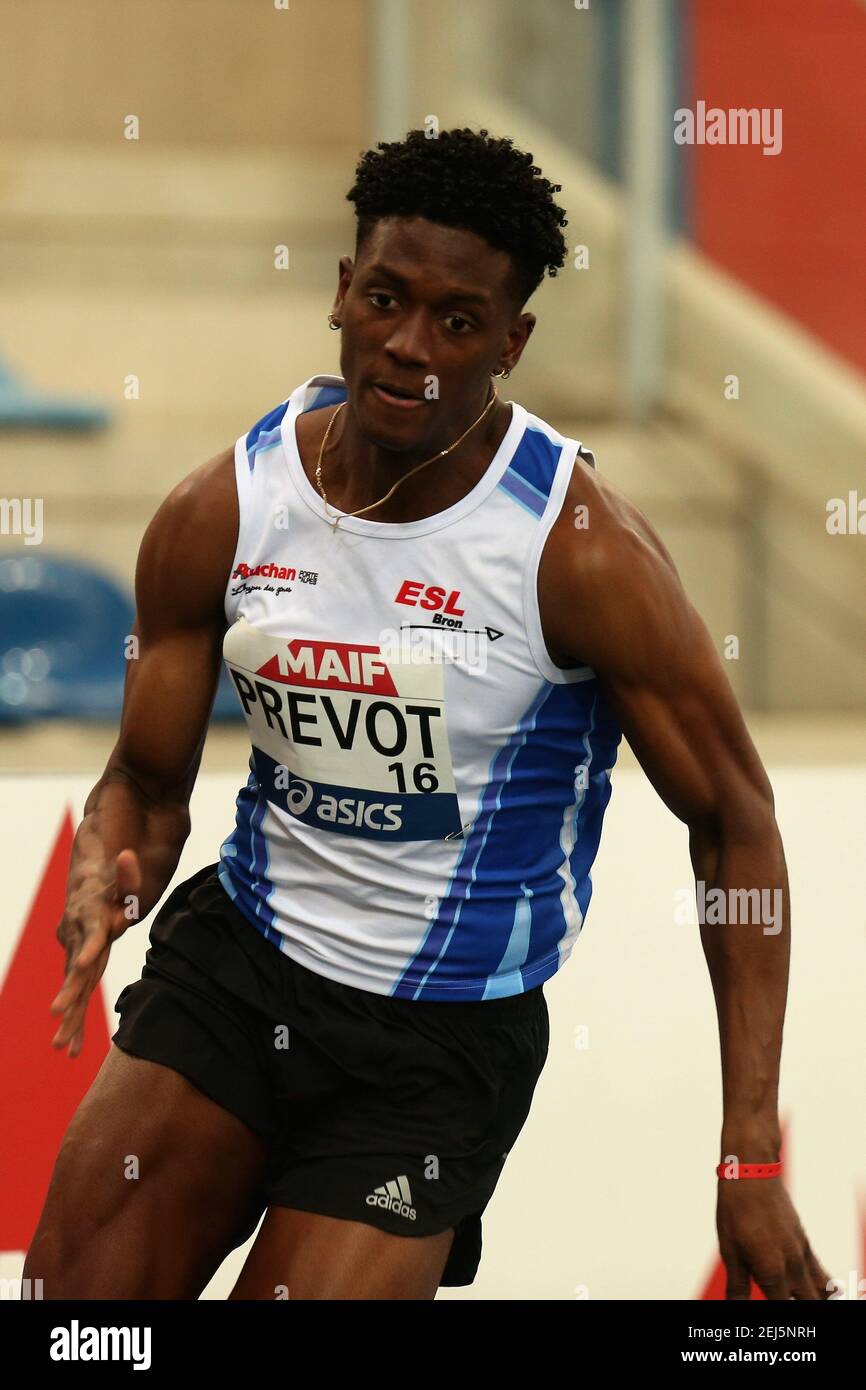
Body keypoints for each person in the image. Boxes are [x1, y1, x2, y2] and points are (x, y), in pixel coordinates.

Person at [26, 128, 830, 1301]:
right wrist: (116, 858)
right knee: (74, 1315)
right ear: (342, 291)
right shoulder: (226, 507)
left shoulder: (578, 555)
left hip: (435, 1050)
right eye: (387, 299)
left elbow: (735, 825)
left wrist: (748, 1147)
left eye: (457, 323)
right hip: (238, 973)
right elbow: (144, 784)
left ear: (511, 343)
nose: (408, 347)